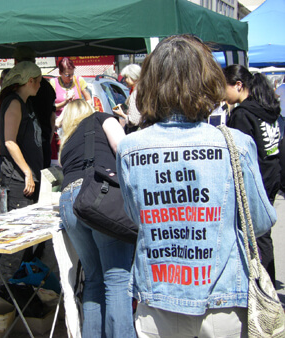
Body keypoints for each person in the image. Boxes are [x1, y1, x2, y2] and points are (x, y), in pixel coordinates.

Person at [116, 34, 277, 337]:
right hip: (224, 299)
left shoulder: (130, 148)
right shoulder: (236, 145)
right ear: (207, 80)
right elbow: (260, 221)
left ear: (150, 84)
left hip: (159, 298)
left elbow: (137, 218)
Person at [59, 99, 135, 338]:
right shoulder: (102, 118)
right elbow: (123, 149)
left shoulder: (67, 142)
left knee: (93, 278)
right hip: (97, 197)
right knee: (117, 278)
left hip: (68, 202)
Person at [224, 64, 281, 286]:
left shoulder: (242, 115)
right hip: (272, 175)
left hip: (254, 179)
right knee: (262, 232)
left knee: (255, 234)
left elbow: (238, 153)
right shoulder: (267, 110)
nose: (221, 93)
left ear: (238, 85)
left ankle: (261, 285)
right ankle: (268, 283)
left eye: (223, 87)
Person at [0, 61, 43, 286]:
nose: (41, 85)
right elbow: (9, 141)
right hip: (16, 180)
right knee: (16, 240)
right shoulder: (14, 102)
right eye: (39, 80)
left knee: (26, 239)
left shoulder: (24, 102)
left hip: (24, 178)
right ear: (30, 80)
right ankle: (3, 291)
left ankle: (17, 290)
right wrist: (27, 172)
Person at [14, 46, 57, 168]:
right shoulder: (46, 86)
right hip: (41, 143)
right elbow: (52, 118)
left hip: (21, 147)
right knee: (41, 184)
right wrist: (47, 140)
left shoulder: (14, 88)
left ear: (16, 62)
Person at [50, 57, 91, 161]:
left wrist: (81, 108)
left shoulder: (79, 81)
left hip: (77, 124)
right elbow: (50, 107)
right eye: (67, 75)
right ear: (60, 72)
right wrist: (65, 102)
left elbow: (89, 100)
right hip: (59, 127)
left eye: (72, 74)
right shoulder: (53, 83)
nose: (71, 77)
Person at [112, 64, 142, 133]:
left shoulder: (135, 93)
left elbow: (134, 120)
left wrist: (122, 114)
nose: (124, 80)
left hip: (136, 132)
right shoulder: (141, 90)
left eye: (126, 77)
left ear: (134, 77)